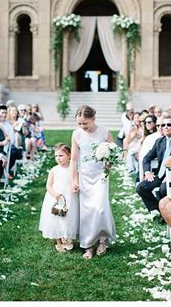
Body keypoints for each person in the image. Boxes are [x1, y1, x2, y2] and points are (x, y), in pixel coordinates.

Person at [70, 105, 116, 259]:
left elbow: (113, 153)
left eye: (85, 123)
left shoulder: (104, 132)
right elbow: (74, 159)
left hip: (101, 175)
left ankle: (102, 240)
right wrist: (74, 180)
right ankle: (88, 244)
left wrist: (108, 164)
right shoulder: (76, 134)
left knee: (100, 208)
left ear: (93, 119)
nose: (82, 126)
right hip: (85, 176)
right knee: (87, 211)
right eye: (79, 124)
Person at [136, 116, 171, 217]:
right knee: (141, 188)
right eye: (163, 125)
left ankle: (168, 213)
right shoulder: (159, 142)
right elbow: (146, 158)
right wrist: (147, 172)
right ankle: (160, 211)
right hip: (160, 175)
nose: (165, 127)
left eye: (168, 125)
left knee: (163, 189)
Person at [39, 144, 78, 252]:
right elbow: (48, 185)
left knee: (68, 216)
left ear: (69, 155)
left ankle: (66, 237)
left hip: (69, 196)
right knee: (56, 217)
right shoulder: (54, 170)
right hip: (56, 197)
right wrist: (54, 194)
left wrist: (76, 187)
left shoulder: (73, 169)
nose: (58, 158)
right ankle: (58, 239)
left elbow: (76, 181)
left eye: (61, 155)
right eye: (56, 156)